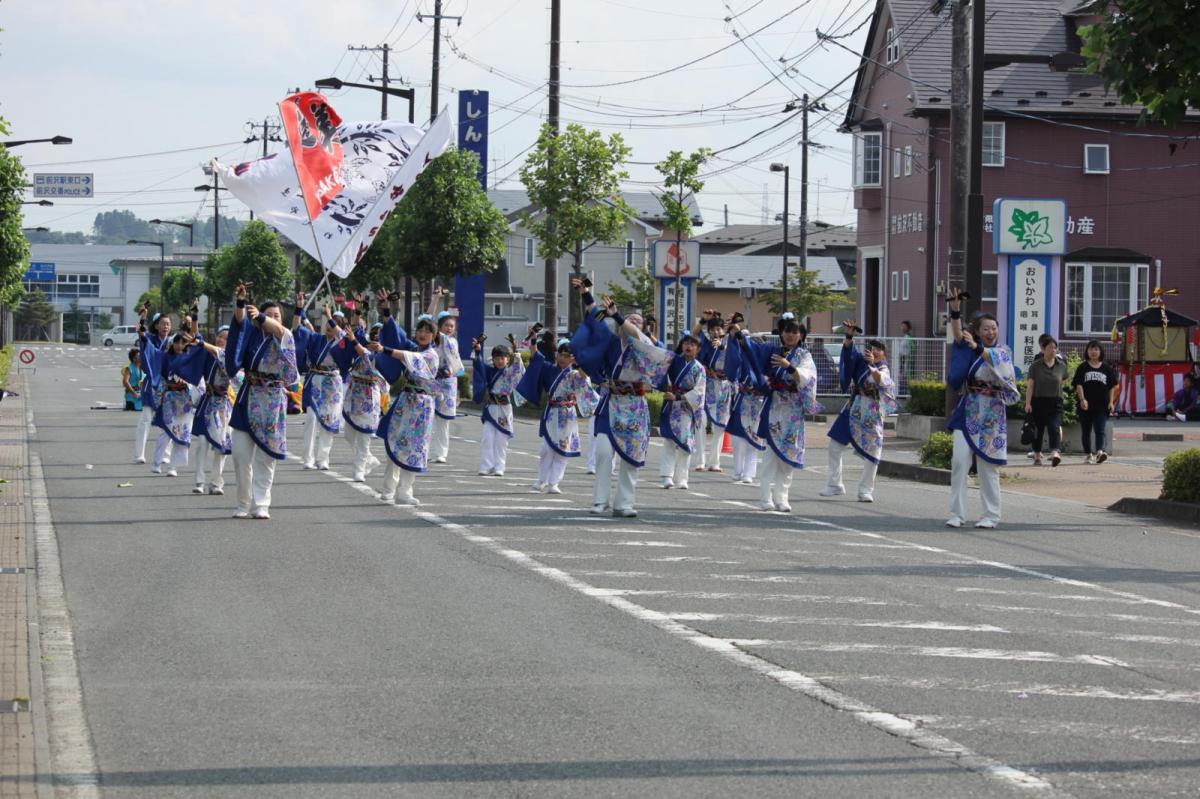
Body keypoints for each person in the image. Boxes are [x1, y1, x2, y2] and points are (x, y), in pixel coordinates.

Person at [572, 283, 674, 518]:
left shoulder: (647, 347)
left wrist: (618, 316)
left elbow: (636, 334)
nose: (633, 323)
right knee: (604, 452)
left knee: (632, 456)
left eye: (637, 321)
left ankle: (624, 503)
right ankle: (600, 501)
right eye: (630, 320)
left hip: (636, 406)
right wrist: (587, 295)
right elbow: (594, 323)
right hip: (612, 403)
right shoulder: (611, 342)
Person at [945, 288, 1020, 529]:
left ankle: (991, 515)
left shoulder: (1002, 352)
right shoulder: (970, 348)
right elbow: (958, 336)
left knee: (989, 467)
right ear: (977, 332)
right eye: (985, 329)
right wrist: (955, 311)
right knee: (959, 462)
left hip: (992, 415)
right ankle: (957, 513)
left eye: (994, 328)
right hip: (968, 410)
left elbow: (996, 362)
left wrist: (978, 348)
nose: (990, 332)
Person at [225, 284, 299, 520]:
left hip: (273, 401)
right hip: (249, 396)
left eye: (277, 315)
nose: (274, 318)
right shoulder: (252, 334)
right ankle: (243, 502)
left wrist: (265, 317)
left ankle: (261, 504)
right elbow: (238, 326)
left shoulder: (285, 337)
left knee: (266, 457)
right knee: (240, 455)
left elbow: (277, 328)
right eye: (269, 314)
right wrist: (240, 302)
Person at [736, 313, 819, 512]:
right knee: (770, 457)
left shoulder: (803, 355)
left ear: (801, 335)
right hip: (774, 408)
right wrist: (740, 335)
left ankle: (782, 498)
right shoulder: (772, 351)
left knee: (788, 457)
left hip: (793, 411)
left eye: (794, 332)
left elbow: (808, 377)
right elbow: (753, 352)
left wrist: (789, 367)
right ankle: (765, 497)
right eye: (787, 331)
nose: (790, 335)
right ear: (781, 333)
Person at [370, 291, 440, 506]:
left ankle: (405, 491)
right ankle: (388, 488)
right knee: (396, 443)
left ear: (434, 337)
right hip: (405, 402)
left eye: (428, 331)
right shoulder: (411, 347)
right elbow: (396, 335)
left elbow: (412, 358)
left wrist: (386, 350)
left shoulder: (431, 355)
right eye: (420, 329)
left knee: (415, 448)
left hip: (423, 405)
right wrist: (386, 311)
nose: (423, 334)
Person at [822, 323, 898, 502]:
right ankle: (834, 484)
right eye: (873, 348)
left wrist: (872, 365)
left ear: (884, 354)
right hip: (854, 407)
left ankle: (865, 490)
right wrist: (849, 336)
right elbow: (849, 355)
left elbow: (882, 381)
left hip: (872, 411)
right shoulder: (860, 361)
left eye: (879, 349)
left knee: (873, 453)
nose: (876, 351)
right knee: (834, 445)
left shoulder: (884, 369)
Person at [517, 335, 598, 493]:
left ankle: (554, 483)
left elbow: (584, 377)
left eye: (567, 356)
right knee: (546, 449)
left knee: (563, 449)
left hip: (567, 415)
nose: (563, 358)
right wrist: (533, 341)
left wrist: (579, 362)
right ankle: (541, 480)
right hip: (552, 413)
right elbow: (536, 357)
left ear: (572, 358)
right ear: (556, 355)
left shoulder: (574, 374)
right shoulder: (548, 368)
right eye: (561, 354)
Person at [293, 295, 355, 471]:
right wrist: (299, 309)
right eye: (329, 323)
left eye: (334, 324)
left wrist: (330, 316)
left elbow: (343, 338)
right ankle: (308, 458)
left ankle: (323, 458)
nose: (329, 326)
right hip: (316, 381)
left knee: (329, 420)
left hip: (333, 383)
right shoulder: (315, 338)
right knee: (312, 419)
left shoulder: (343, 343)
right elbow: (297, 330)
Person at [148, 323, 210, 478]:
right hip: (169, 398)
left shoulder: (191, 359)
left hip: (186, 401)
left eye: (183, 342)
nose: (179, 345)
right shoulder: (165, 357)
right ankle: (156, 462)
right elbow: (158, 373)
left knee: (182, 434)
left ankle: (172, 466)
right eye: (177, 341)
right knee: (166, 432)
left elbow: (199, 378)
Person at [472, 328, 529, 477]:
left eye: (502, 358)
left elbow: (519, 369)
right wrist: (478, 351)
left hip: (504, 408)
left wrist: (516, 352)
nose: (499, 361)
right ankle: (486, 465)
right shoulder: (490, 371)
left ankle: (499, 467)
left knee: (501, 441)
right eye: (496, 358)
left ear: (507, 359)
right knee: (487, 438)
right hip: (491, 408)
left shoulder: (510, 372)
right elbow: (479, 367)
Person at [657, 331, 706, 490]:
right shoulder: (673, 361)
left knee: (685, 443)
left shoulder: (699, 368)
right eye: (686, 343)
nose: (688, 347)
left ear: (698, 349)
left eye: (692, 344)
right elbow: (661, 359)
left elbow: (699, 391)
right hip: (671, 406)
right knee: (669, 441)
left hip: (686, 408)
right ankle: (667, 476)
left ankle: (682, 478)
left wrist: (679, 397)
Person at [192, 326, 234, 495]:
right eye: (219, 335)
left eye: (225, 337)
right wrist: (194, 317)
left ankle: (216, 482)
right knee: (202, 443)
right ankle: (199, 481)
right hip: (207, 403)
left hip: (223, 405)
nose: (220, 339)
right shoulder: (208, 354)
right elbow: (197, 339)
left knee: (220, 447)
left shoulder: (232, 360)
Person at [344, 316, 387, 483]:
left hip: (370, 397)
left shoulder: (382, 355)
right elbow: (353, 335)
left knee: (364, 437)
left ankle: (359, 470)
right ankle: (369, 459)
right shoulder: (360, 346)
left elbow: (366, 355)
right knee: (348, 434)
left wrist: (354, 341)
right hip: (354, 394)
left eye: (380, 335)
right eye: (374, 333)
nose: (376, 337)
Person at [724, 323, 768, 486]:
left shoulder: (766, 362)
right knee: (737, 438)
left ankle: (748, 472)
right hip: (744, 400)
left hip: (759, 402)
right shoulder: (742, 358)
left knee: (754, 439)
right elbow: (732, 366)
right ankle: (737, 471)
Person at [694, 311, 734, 472]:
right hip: (707, 385)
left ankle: (714, 462)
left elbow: (738, 353)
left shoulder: (730, 343)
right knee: (701, 421)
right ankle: (700, 460)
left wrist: (723, 345)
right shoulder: (704, 343)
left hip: (724, 387)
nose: (716, 332)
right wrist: (704, 320)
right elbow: (695, 333)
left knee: (720, 426)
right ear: (709, 331)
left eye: (719, 329)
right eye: (713, 329)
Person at [428, 288, 464, 464]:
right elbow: (428, 320)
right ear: (439, 328)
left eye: (452, 326)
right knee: (427, 416)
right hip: (432, 381)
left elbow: (456, 365)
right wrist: (435, 299)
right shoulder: (437, 339)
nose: (449, 328)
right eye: (446, 326)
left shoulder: (453, 342)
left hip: (448, 382)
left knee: (444, 421)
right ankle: (424, 449)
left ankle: (441, 453)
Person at [133, 307, 171, 464]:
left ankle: (165, 454)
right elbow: (140, 332)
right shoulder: (149, 338)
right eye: (162, 324)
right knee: (146, 418)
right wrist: (142, 317)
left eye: (168, 324)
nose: (166, 327)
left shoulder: (173, 341)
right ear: (156, 326)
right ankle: (139, 454)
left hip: (169, 385)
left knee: (168, 421)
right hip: (151, 384)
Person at [1024, 334, 1069, 467]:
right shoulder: (1035, 366)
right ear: (1043, 349)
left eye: (1055, 348)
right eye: (1050, 347)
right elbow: (1030, 386)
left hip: (1055, 401)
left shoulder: (1061, 366)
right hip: (1038, 401)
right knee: (1038, 430)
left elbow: (1064, 379)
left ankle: (1055, 452)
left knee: (1054, 427)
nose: (1053, 350)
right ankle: (1037, 455)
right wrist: (1027, 403)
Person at [1072, 340, 1119, 463]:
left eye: (1096, 349)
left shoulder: (1106, 368)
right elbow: (1078, 384)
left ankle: (1100, 452)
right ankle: (1088, 454)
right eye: (1091, 349)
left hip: (1101, 406)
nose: (1093, 352)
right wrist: (1082, 399)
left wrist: (1111, 402)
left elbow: (1112, 386)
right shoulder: (1082, 367)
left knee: (1100, 429)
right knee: (1086, 431)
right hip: (1085, 405)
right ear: (1087, 351)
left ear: (1100, 351)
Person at [897, 320, 915, 387]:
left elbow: (913, 347)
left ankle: (907, 392)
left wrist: (908, 355)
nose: (902, 328)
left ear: (908, 328)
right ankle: (903, 392)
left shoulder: (909, 337)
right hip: (902, 359)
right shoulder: (904, 337)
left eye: (904, 326)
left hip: (907, 359)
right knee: (902, 376)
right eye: (901, 326)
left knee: (906, 375)